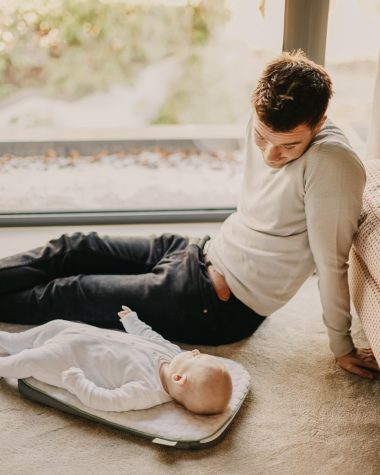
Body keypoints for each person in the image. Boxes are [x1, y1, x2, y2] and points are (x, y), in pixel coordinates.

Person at [0, 50, 379, 380]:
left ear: (320, 121)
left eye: (289, 146)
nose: (270, 155)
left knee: (71, 291)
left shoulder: (333, 165)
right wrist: (272, 140)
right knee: (74, 246)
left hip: (214, 303)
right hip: (196, 250)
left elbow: (332, 264)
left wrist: (341, 345)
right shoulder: (264, 118)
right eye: (263, 138)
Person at [0, 305, 232, 414]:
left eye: (196, 356)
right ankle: (11, 341)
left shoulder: (145, 392)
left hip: (68, 359)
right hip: (80, 335)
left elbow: (107, 400)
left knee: (28, 362)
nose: (194, 352)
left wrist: (78, 383)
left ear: (179, 378)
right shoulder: (171, 353)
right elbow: (150, 336)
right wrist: (133, 321)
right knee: (53, 325)